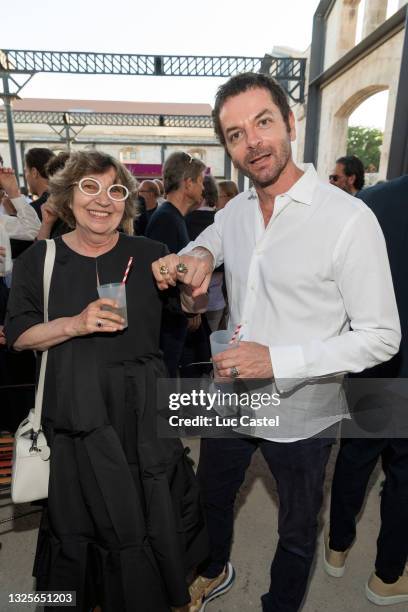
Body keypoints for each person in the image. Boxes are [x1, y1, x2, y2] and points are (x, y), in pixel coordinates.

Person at [151, 72, 401, 612]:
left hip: (303, 410)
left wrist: (277, 359)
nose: (252, 141)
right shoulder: (235, 211)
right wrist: (195, 255)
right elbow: (209, 241)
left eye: (263, 122)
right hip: (231, 393)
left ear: (290, 123)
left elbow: (382, 337)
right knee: (212, 497)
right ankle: (213, 570)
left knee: (294, 529)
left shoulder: (348, 220)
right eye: (235, 134)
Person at [5, 150, 207, 612]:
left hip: (142, 419)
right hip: (78, 415)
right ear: (67, 196)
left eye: (115, 190)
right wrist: (74, 323)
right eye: (89, 188)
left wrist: (193, 290)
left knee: (145, 517)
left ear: (127, 202)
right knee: (83, 522)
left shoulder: (151, 255)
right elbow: (18, 336)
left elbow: (190, 317)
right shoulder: (42, 258)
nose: (103, 200)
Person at [325, 174, 408, 606]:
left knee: (356, 458)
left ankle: (336, 547)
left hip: (375, 358)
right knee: (405, 478)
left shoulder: (371, 200)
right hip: (389, 360)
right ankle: (386, 577)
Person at [146, 152, 206, 377]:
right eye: (200, 181)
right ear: (188, 183)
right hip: (169, 324)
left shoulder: (172, 217)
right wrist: (188, 309)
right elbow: (162, 272)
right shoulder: (166, 219)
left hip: (174, 321)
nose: (203, 188)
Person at [24, 147, 56, 219]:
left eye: (26, 171)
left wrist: (12, 212)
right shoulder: (64, 199)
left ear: (34, 172)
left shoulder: (35, 209)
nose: (25, 177)